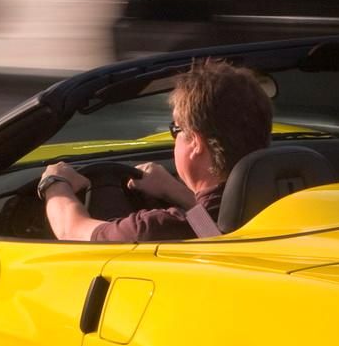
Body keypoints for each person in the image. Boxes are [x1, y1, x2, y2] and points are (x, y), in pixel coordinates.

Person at [38, 57, 273, 242]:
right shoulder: (280, 200)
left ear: (196, 144)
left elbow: (72, 231)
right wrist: (173, 190)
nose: (175, 137)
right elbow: (213, 228)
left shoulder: (155, 230)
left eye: (176, 129)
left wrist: (55, 184)